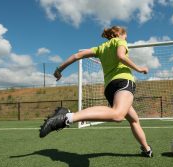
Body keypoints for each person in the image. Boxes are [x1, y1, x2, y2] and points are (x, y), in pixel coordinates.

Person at [39, 26, 153, 157]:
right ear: (119, 34)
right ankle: (67, 117)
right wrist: (139, 68)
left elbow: (77, 55)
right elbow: (120, 56)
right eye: (126, 36)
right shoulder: (120, 41)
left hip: (110, 88)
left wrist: (59, 69)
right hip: (123, 82)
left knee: (134, 119)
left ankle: (146, 149)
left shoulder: (101, 48)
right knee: (118, 115)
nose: (126, 39)